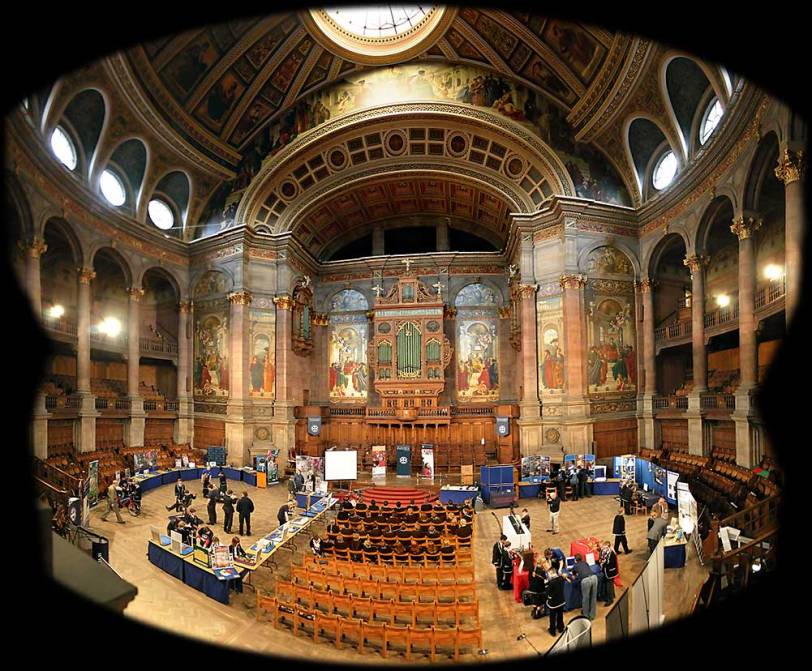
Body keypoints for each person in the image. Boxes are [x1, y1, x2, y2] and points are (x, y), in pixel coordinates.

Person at [573, 553, 598, 620]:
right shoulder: (585, 562)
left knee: (585, 598)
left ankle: (586, 616)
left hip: (586, 581)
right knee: (593, 597)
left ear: (575, 560)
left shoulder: (575, 565)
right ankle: (592, 615)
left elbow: (574, 575)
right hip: (594, 577)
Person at [545, 568, 567, 635]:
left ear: (551, 573)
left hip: (553, 603)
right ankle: (560, 628)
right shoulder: (561, 579)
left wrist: (546, 585)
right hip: (561, 601)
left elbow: (547, 592)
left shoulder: (551, 582)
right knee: (560, 615)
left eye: (548, 573)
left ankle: (552, 631)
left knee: (552, 617)